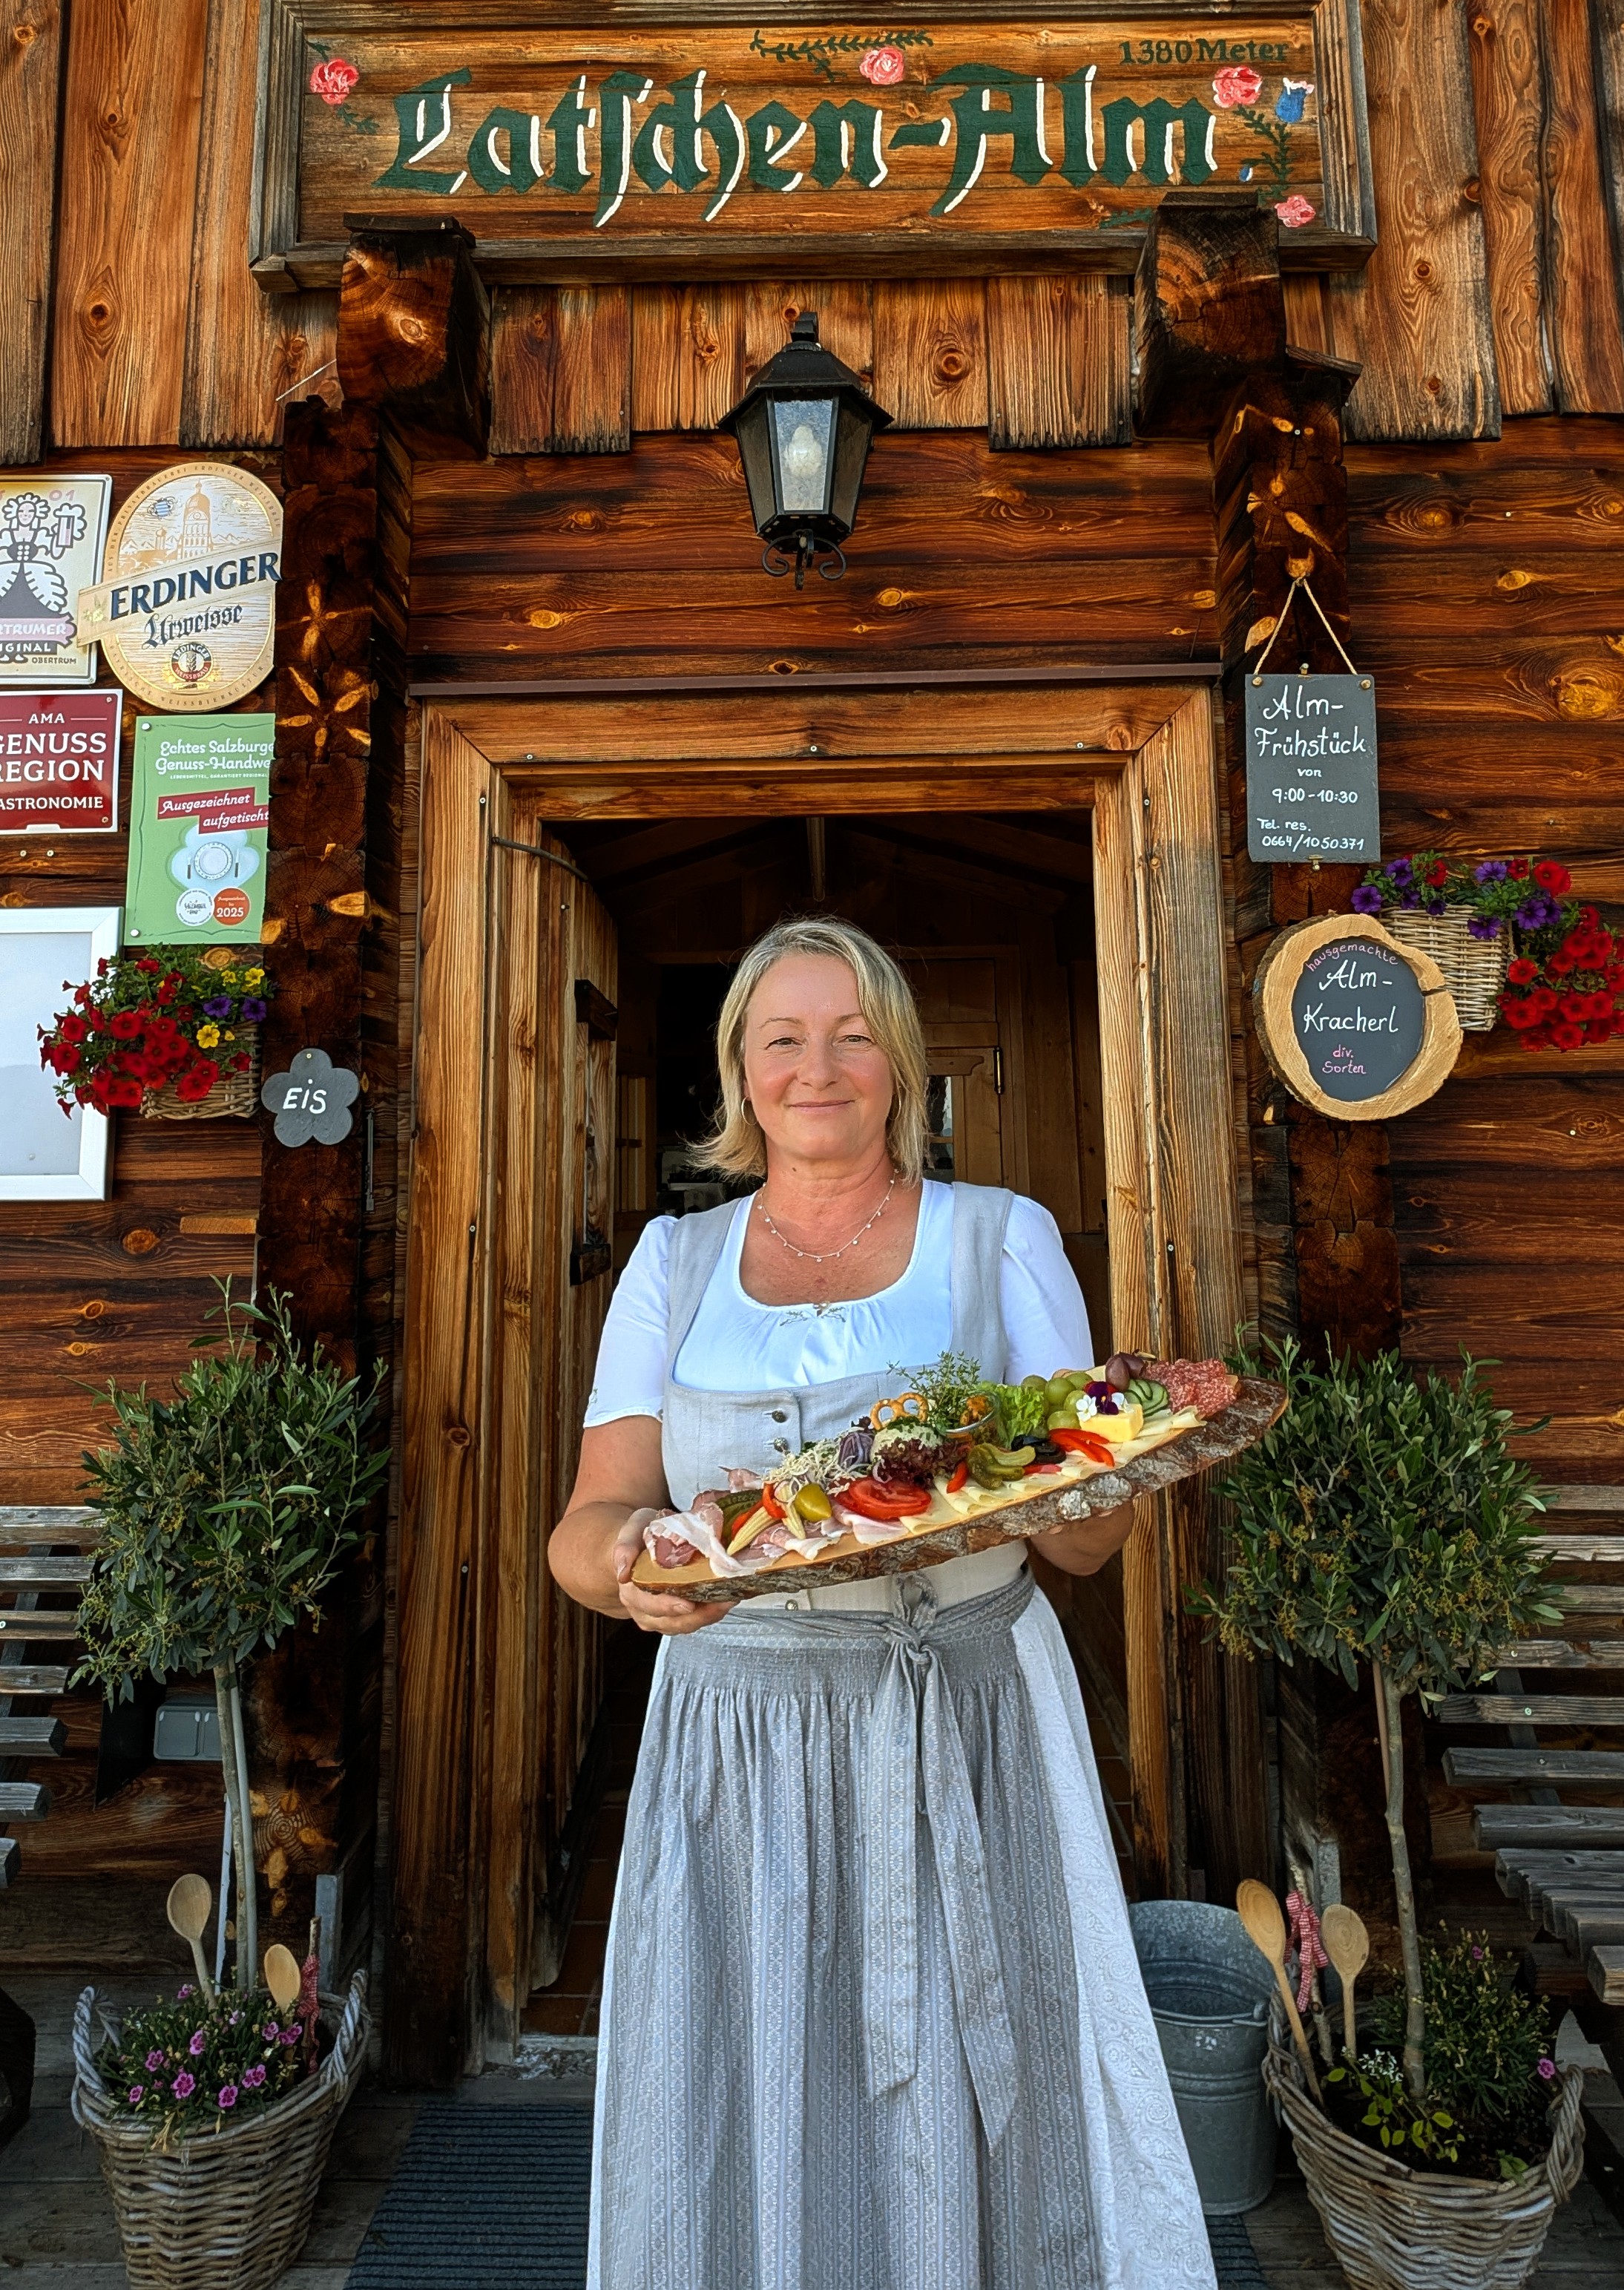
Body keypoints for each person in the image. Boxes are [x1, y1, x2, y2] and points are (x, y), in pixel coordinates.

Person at [550, 916, 1214, 2290]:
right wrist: (631, 1569)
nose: (818, 1066)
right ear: (740, 1071)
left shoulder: (1001, 1236)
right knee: (753, 2063)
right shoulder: (672, 1261)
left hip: (966, 1711)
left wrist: (1116, 1462)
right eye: (783, 1038)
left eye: (852, 1035)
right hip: (739, 1733)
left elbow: (1083, 1545)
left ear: (901, 1063)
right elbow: (588, 1523)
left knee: (990, 2069)